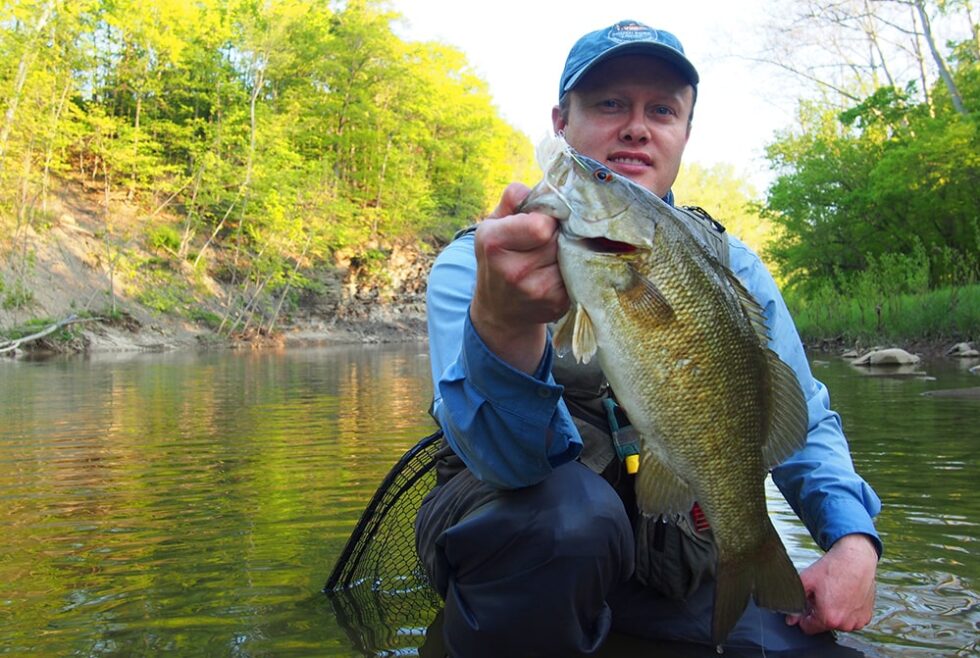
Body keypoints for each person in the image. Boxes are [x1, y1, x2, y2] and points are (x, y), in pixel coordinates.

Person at [416, 19, 881, 657]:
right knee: (567, 522)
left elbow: (800, 412)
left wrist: (852, 539)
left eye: (661, 109)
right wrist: (503, 325)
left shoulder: (733, 267)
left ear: (685, 133)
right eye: (610, 104)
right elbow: (506, 463)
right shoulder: (481, 262)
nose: (637, 126)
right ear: (562, 122)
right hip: (532, 552)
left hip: (673, 557)